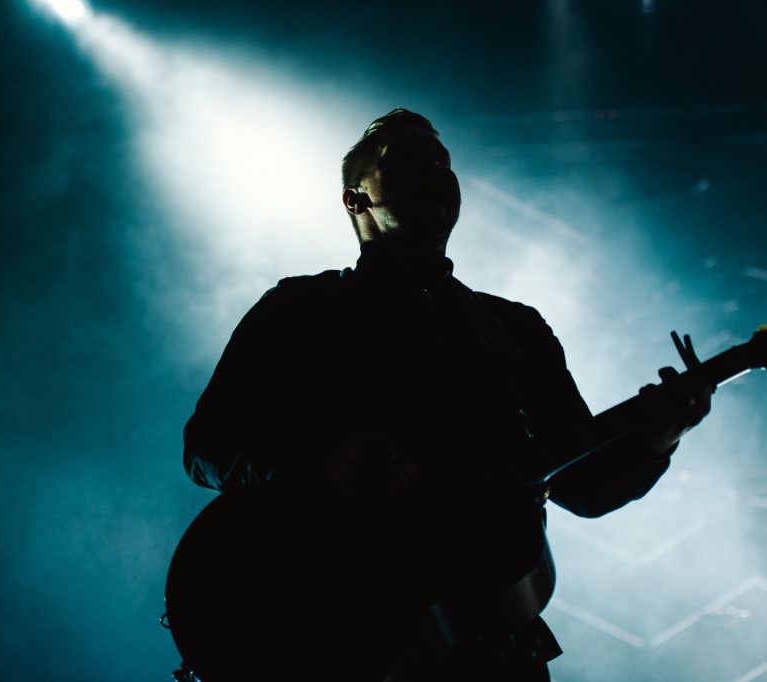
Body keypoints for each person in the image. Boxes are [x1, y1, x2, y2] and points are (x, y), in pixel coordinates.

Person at [181, 109, 711, 681]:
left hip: (488, 648)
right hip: (335, 638)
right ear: (355, 199)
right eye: (408, 159)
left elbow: (584, 484)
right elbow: (207, 445)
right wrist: (320, 463)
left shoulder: (516, 329)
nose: (436, 169)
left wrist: (658, 438)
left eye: (443, 161)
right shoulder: (296, 310)